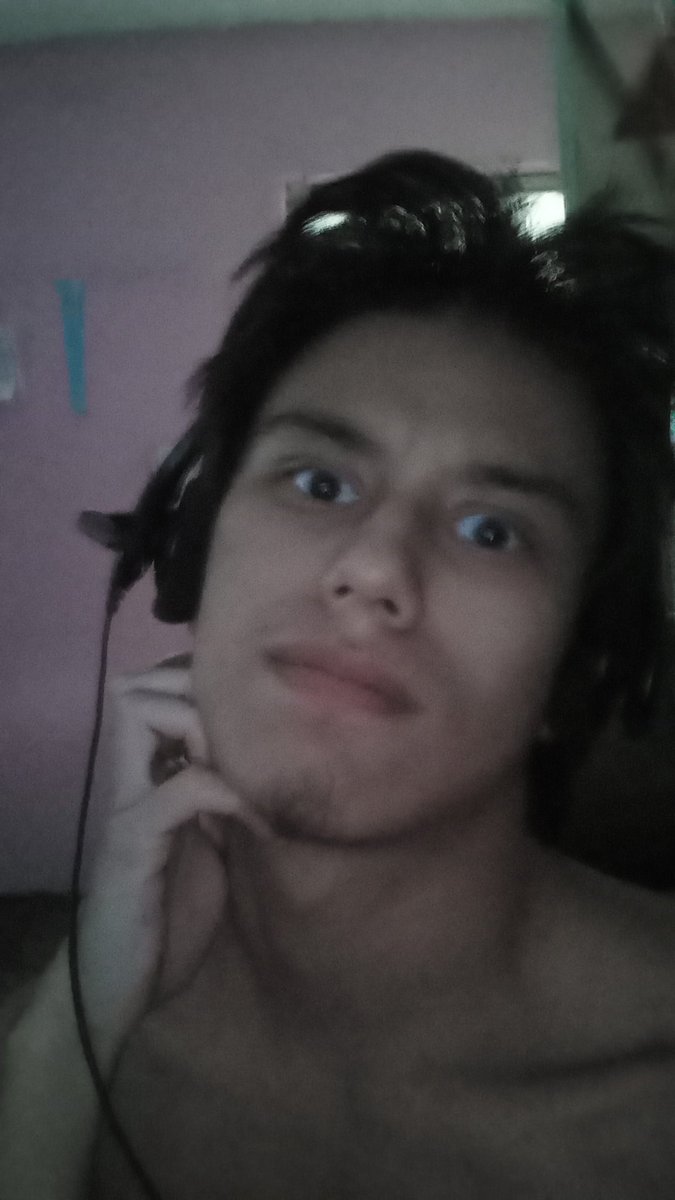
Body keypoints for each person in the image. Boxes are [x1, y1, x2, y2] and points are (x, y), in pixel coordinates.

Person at [1, 150, 675, 1200]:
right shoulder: (73, 1039)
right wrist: (72, 1027)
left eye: (492, 530)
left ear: (574, 667)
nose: (373, 569)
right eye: (319, 482)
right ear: (195, 551)